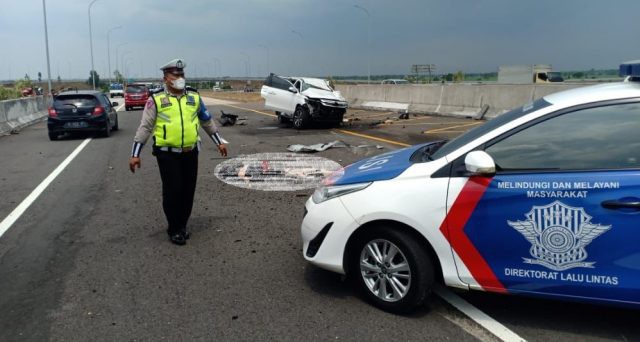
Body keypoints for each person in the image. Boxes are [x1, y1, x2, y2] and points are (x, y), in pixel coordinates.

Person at [129, 58, 228, 246]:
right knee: (173, 191)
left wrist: (218, 142)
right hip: (167, 154)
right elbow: (145, 128)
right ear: (166, 78)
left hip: (190, 152)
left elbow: (206, 120)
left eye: (182, 75)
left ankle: (182, 225)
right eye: (176, 75)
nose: (180, 78)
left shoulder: (193, 96)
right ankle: (174, 228)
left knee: (187, 191)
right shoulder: (156, 99)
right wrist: (135, 154)